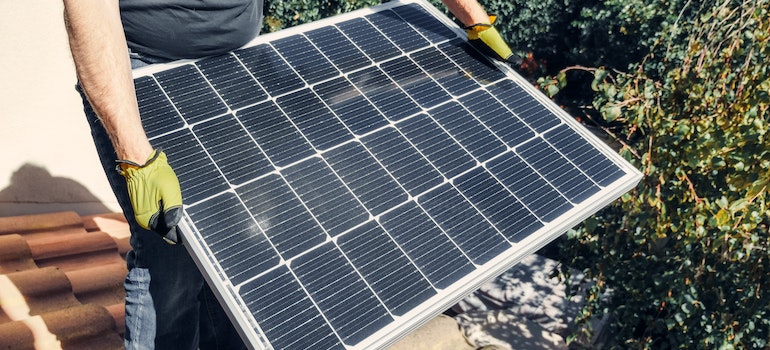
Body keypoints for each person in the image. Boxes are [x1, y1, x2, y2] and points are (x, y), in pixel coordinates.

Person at [62, 0, 515, 349]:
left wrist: (473, 17)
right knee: (170, 252)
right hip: (143, 70)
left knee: (237, 244)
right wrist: (135, 153)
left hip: (240, 65)